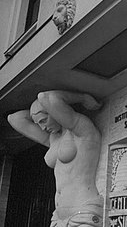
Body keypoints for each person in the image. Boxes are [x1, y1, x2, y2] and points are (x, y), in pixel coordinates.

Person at [7, 90, 103, 227]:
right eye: (38, 123)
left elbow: (47, 97)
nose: (42, 128)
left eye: (43, 121)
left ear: (54, 113)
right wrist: (36, 111)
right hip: (58, 217)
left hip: (83, 211)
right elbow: (14, 119)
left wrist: (82, 98)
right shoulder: (53, 139)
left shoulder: (82, 130)